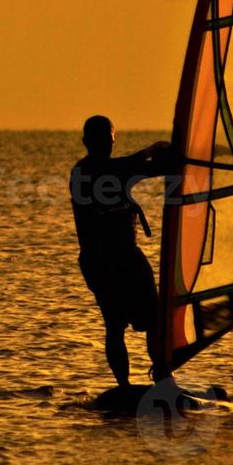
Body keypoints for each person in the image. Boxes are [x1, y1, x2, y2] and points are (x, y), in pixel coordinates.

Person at [69, 114, 180, 388]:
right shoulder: (83, 173)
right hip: (101, 262)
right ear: (86, 143)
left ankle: (164, 379)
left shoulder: (119, 171)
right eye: (99, 141)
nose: (105, 146)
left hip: (129, 260)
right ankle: (124, 388)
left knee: (154, 319)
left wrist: (180, 156)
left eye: (108, 141)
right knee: (114, 324)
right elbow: (116, 170)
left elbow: (151, 169)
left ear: (113, 141)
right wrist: (148, 152)